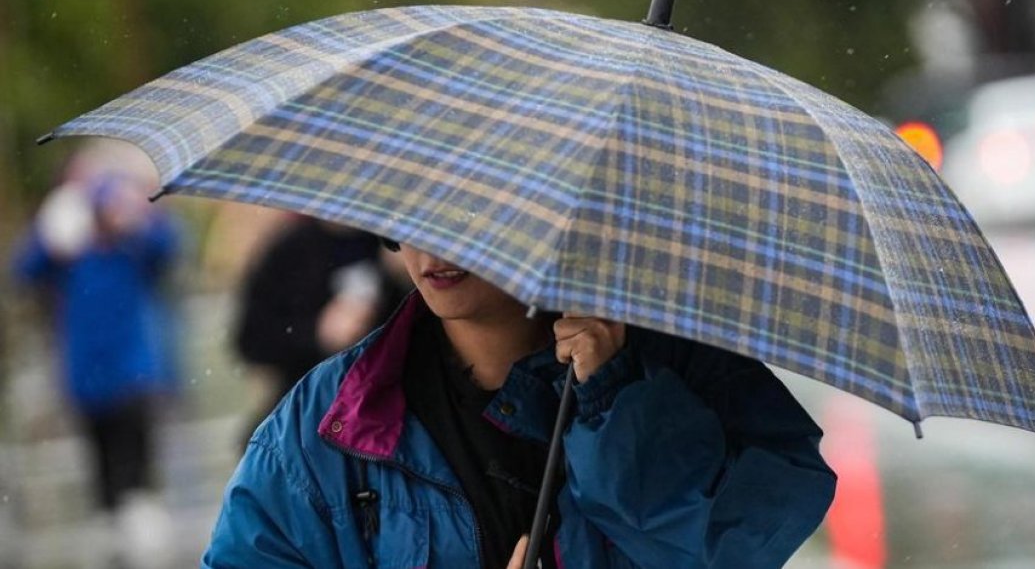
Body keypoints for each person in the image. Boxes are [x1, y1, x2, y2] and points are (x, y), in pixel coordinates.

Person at [203, 243, 836, 568]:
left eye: (464, 206)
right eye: (414, 208)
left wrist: (619, 401)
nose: (433, 247)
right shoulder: (327, 421)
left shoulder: (678, 367)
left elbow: (739, 543)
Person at [12, 169, 180, 568]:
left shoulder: (135, 250)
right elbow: (23, 272)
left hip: (132, 372)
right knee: (100, 453)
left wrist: (142, 216)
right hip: (86, 375)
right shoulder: (70, 256)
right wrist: (46, 235)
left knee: (136, 445)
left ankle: (139, 508)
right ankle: (111, 519)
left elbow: (169, 248)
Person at [230, 216, 404, 446]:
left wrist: (401, 278)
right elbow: (250, 340)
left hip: (385, 405)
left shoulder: (390, 247)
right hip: (307, 408)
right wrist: (317, 332)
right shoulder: (289, 250)